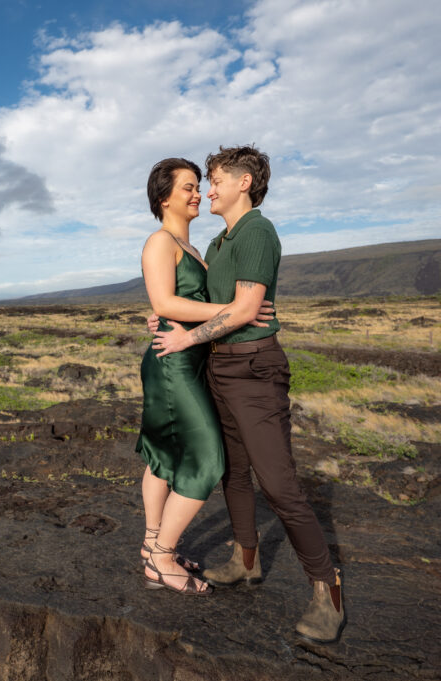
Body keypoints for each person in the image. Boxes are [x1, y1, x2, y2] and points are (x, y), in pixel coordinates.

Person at [151, 145, 345, 642]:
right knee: (234, 474)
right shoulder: (218, 244)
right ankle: (245, 560)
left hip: (255, 369)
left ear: (244, 183)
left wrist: (186, 336)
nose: (208, 189)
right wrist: (167, 316)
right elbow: (216, 305)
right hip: (221, 368)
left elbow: (243, 310)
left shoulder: (258, 230)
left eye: (214, 179)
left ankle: (328, 589)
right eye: (203, 182)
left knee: (278, 485)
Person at [136, 157, 274, 596]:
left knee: (164, 453)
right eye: (188, 188)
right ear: (163, 197)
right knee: (208, 459)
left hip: (187, 358)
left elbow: (169, 301)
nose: (198, 194)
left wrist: (224, 313)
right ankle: (161, 558)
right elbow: (165, 303)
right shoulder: (160, 241)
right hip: (173, 364)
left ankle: (151, 545)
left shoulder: (191, 247)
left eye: (200, 187)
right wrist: (235, 312)